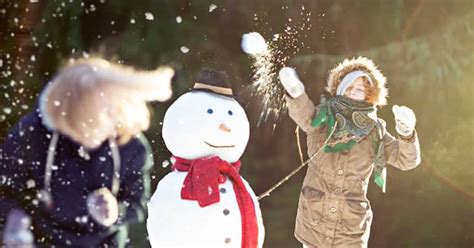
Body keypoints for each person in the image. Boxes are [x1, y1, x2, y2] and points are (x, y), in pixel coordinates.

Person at [0, 58, 174, 247]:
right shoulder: (33, 134)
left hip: (106, 243)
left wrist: (116, 211)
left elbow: (139, 204)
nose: (87, 138)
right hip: (45, 239)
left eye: (94, 127)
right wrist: (14, 217)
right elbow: (6, 186)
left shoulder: (131, 146)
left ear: (114, 113)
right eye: (77, 129)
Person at [278, 57, 421, 248]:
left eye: (359, 89)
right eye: (348, 86)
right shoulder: (324, 118)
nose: (353, 90)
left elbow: (406, 160)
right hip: (314, 221)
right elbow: (305, 115)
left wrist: (406, 133)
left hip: (349, 231)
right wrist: (296, 92)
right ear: (338, 89)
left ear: (369, 96)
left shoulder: (374, 132)